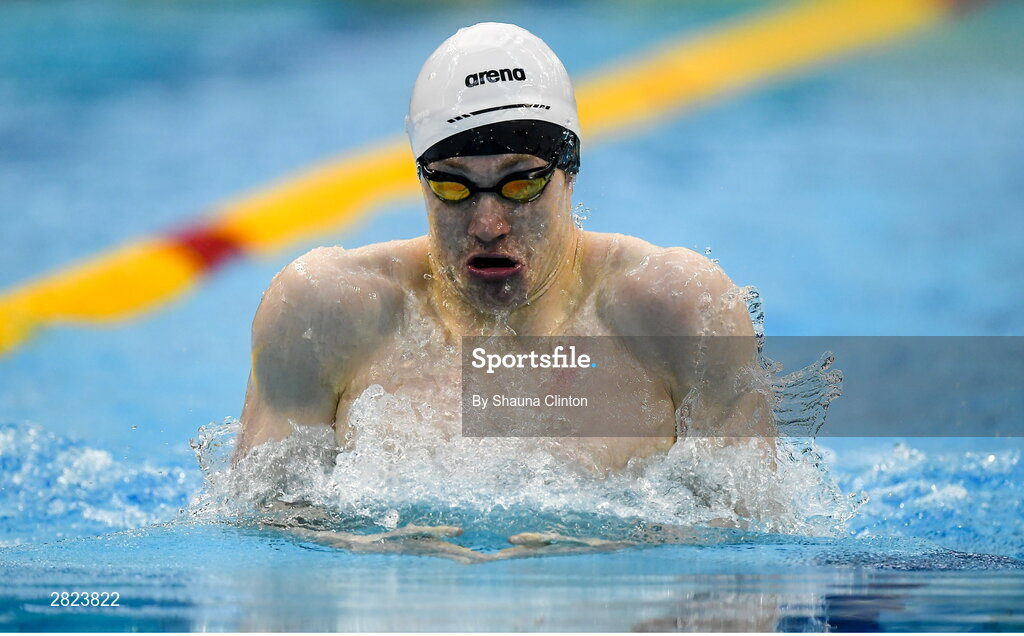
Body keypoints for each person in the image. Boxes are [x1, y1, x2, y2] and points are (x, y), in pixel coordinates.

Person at [236, 23, 772, 557]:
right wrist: (363, 546)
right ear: (421, 181)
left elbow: (757, 544)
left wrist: (611, 550)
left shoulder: (678, 313)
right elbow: (254, 526)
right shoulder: (324, 312)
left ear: (569, 174)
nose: (487, 223)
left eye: (521, 184)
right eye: (453, 186)